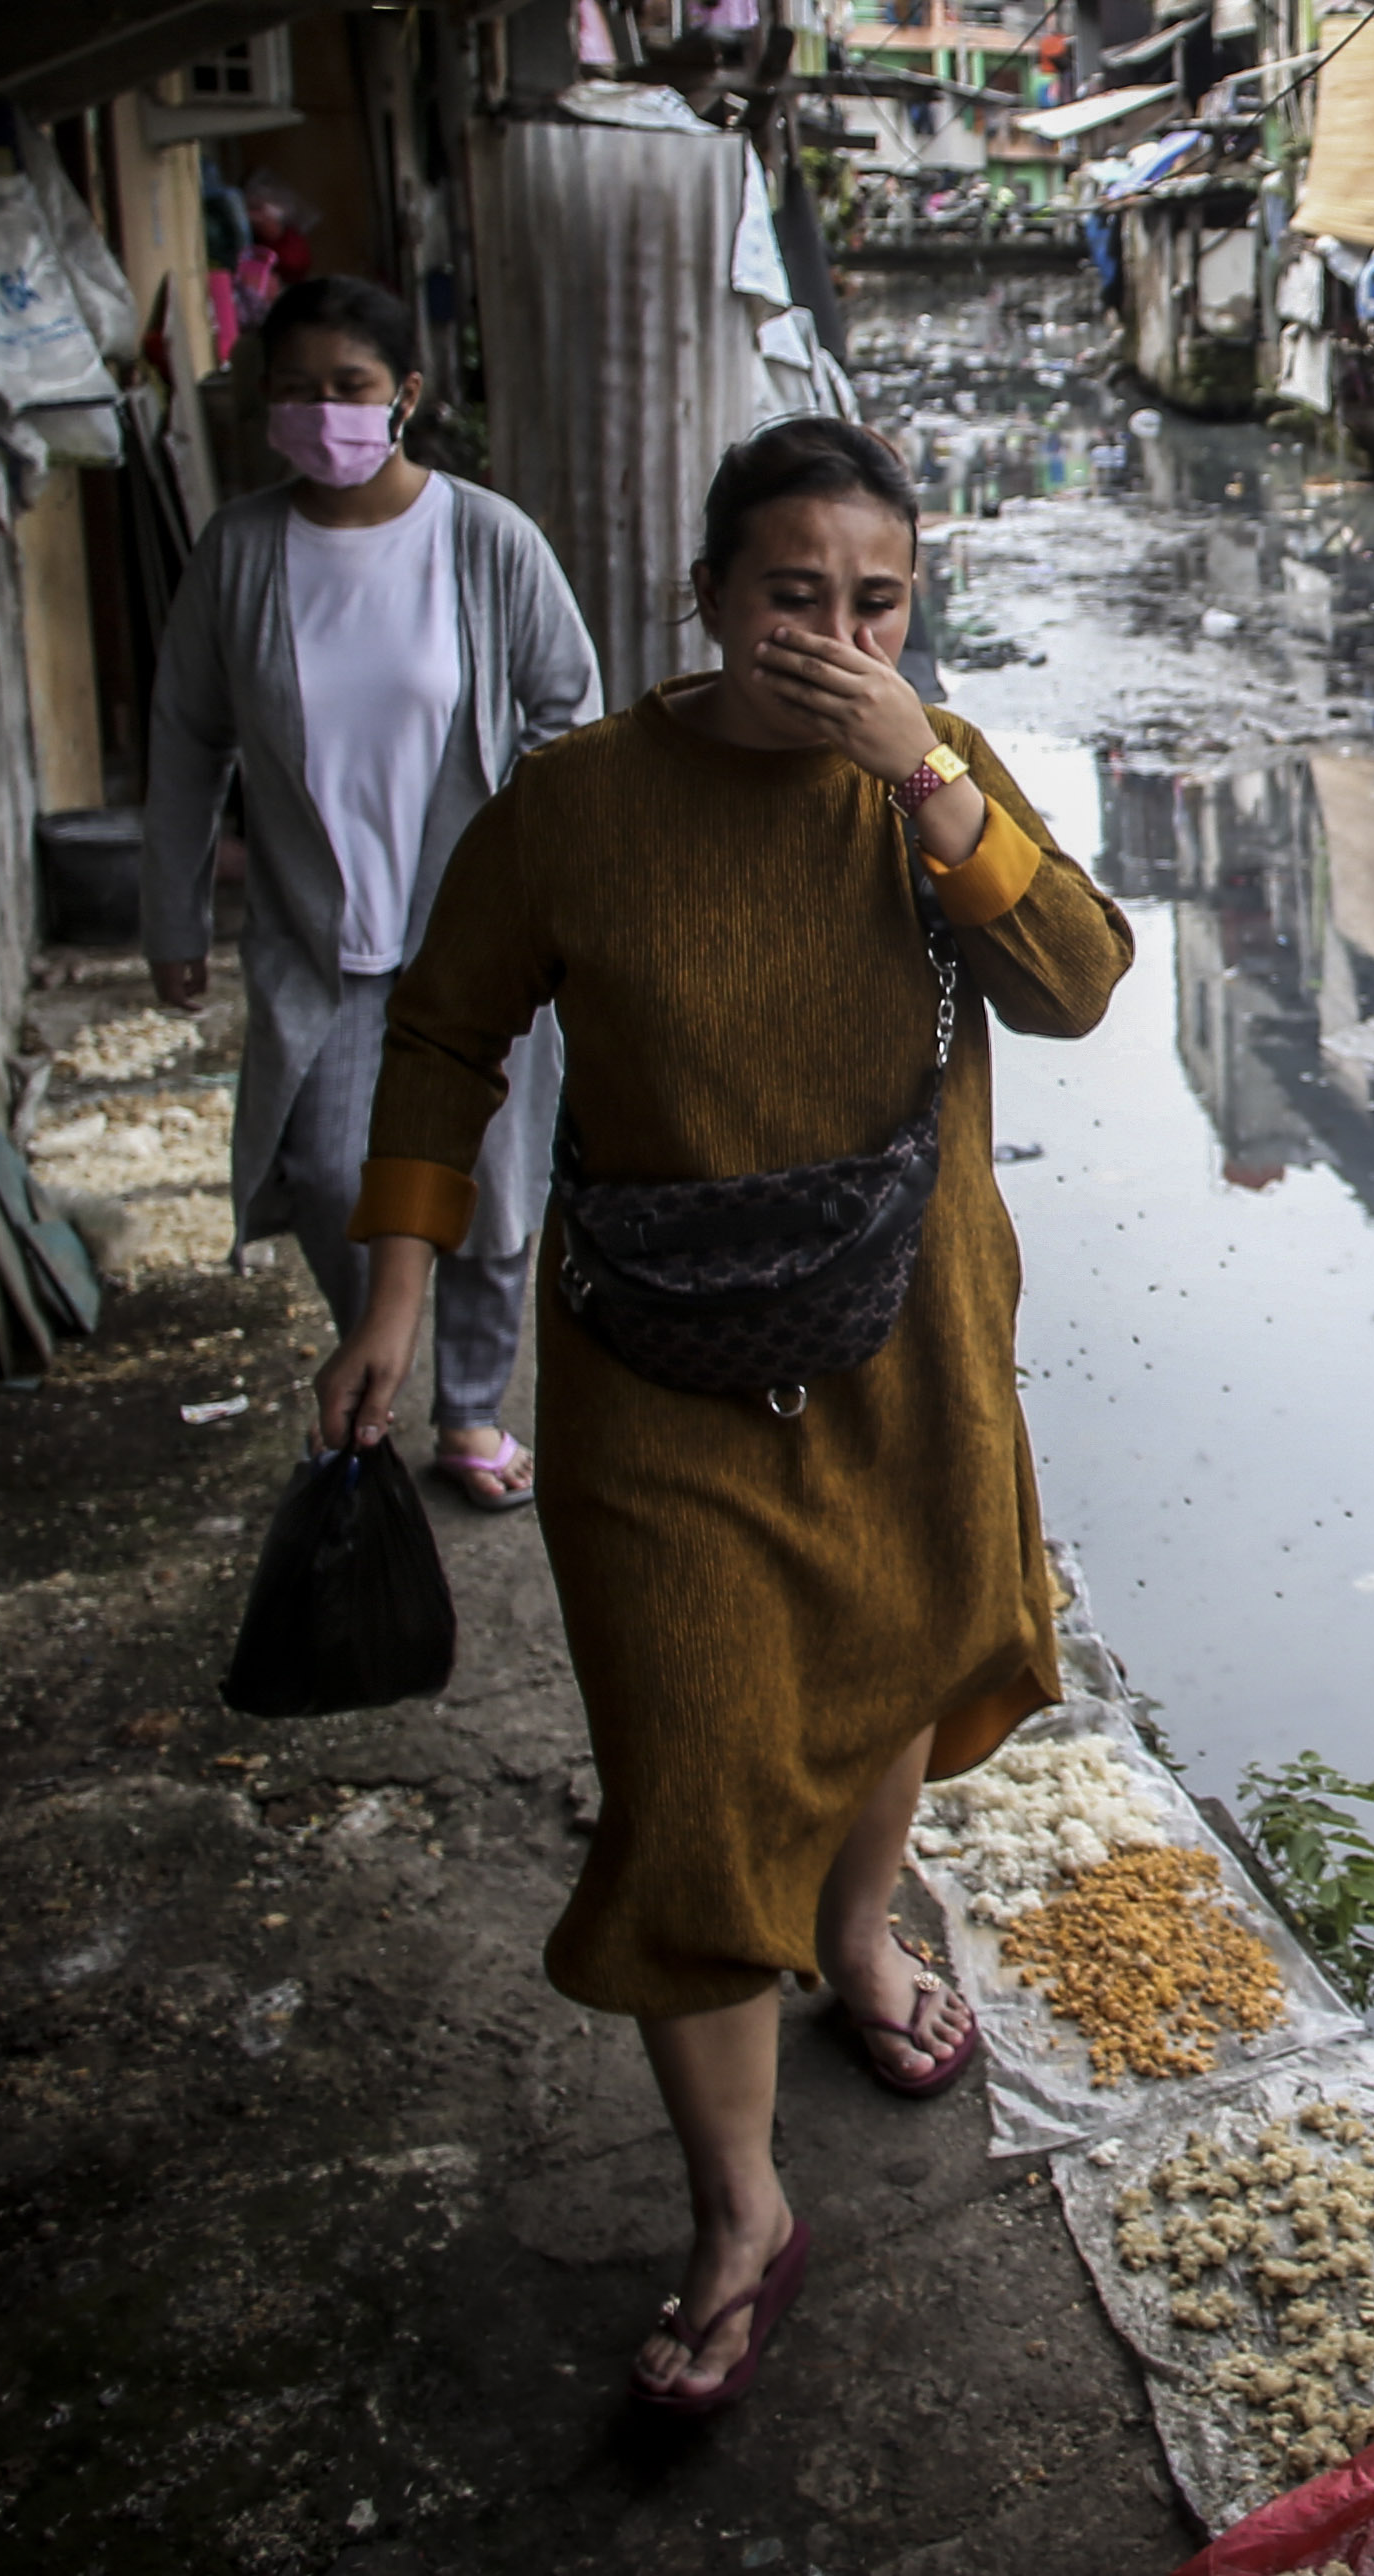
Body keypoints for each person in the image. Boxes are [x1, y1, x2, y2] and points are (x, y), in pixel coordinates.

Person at [314, 416, 1135, 2416]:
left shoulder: (926, 777)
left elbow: (1078, 982)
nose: (835, 639)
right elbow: (443, 1031)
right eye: (792, 596)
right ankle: (742, 2211)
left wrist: (924, 777)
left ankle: (858, 1939)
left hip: (905, 1335)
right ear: (705, 600)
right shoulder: (579, 804)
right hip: (656, 1370)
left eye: (877, 604)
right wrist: (399, 1295)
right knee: (688, 1771)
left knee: (887, 1652)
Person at [143, 276, 601, 1508]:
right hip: (322, 939)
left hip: (478, 941)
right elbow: (187, 738)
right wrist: (172, 916)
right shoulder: (240, 551)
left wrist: (545, 874)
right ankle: (376, 1355)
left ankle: (470, 1411)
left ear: (405, 395)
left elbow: (568, 709)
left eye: (347, 387)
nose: (321, 411)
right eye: (294, 390)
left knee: (494, 1187)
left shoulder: (486, 540)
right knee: (332, 1175)